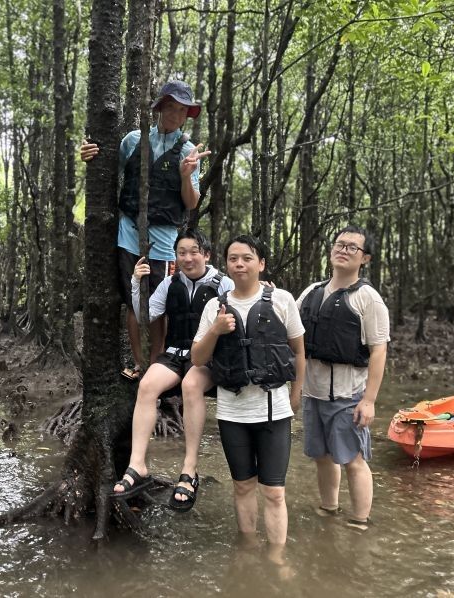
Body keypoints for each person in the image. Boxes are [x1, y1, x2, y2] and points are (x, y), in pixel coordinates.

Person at [80, 80, 211, 380]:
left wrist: (185, 175)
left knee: (157, 303)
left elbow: (190, 203)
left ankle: (156, 363)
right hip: (128, 232)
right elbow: (105, 170)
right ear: (160, 108)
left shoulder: (189, 151)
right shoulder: (133, 140)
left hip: (165, 240)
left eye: (182, 110)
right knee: (133, 298)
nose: (175, 115)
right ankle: (139, 363)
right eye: (171, 108)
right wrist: (87, 153)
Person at [191, 235, 306, 555]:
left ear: (261, 264)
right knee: (242, 486)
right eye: (233, 259)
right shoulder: (215, 306)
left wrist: (296, 395)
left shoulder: (282, 300)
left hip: (274, 410)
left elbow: (299, 352)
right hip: (233, 413)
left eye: (246, 258)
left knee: (274, 492)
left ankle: (276, 558)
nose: (239, 264)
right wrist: (215, 330)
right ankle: (249, 547)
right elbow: (198, 359)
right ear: (226, 264)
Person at [111, 228, 234, 511]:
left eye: (194, 252)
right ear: (175, 257)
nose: (188, 258)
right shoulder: (170, 283)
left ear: (206, 254)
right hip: (175, 354)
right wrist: (135, 283)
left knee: (192, 386)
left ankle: (189, 471)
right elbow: (145, 316)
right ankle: (137, 464)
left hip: (205, 359)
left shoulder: (223, 284)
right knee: (147, 385)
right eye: (181, 253)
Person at [296, 225, 389, 532]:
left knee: (353, 460)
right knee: (322, 456)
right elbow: (291, 328)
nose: (344, 250)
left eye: (352, 247)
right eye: (340, 244)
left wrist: (370, 400)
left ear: (365, 258)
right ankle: (329, 508)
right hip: (313, 390)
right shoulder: (312, 292)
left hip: (348, 395)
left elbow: (378, 350)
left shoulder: (369, 299)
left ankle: (360, 521)